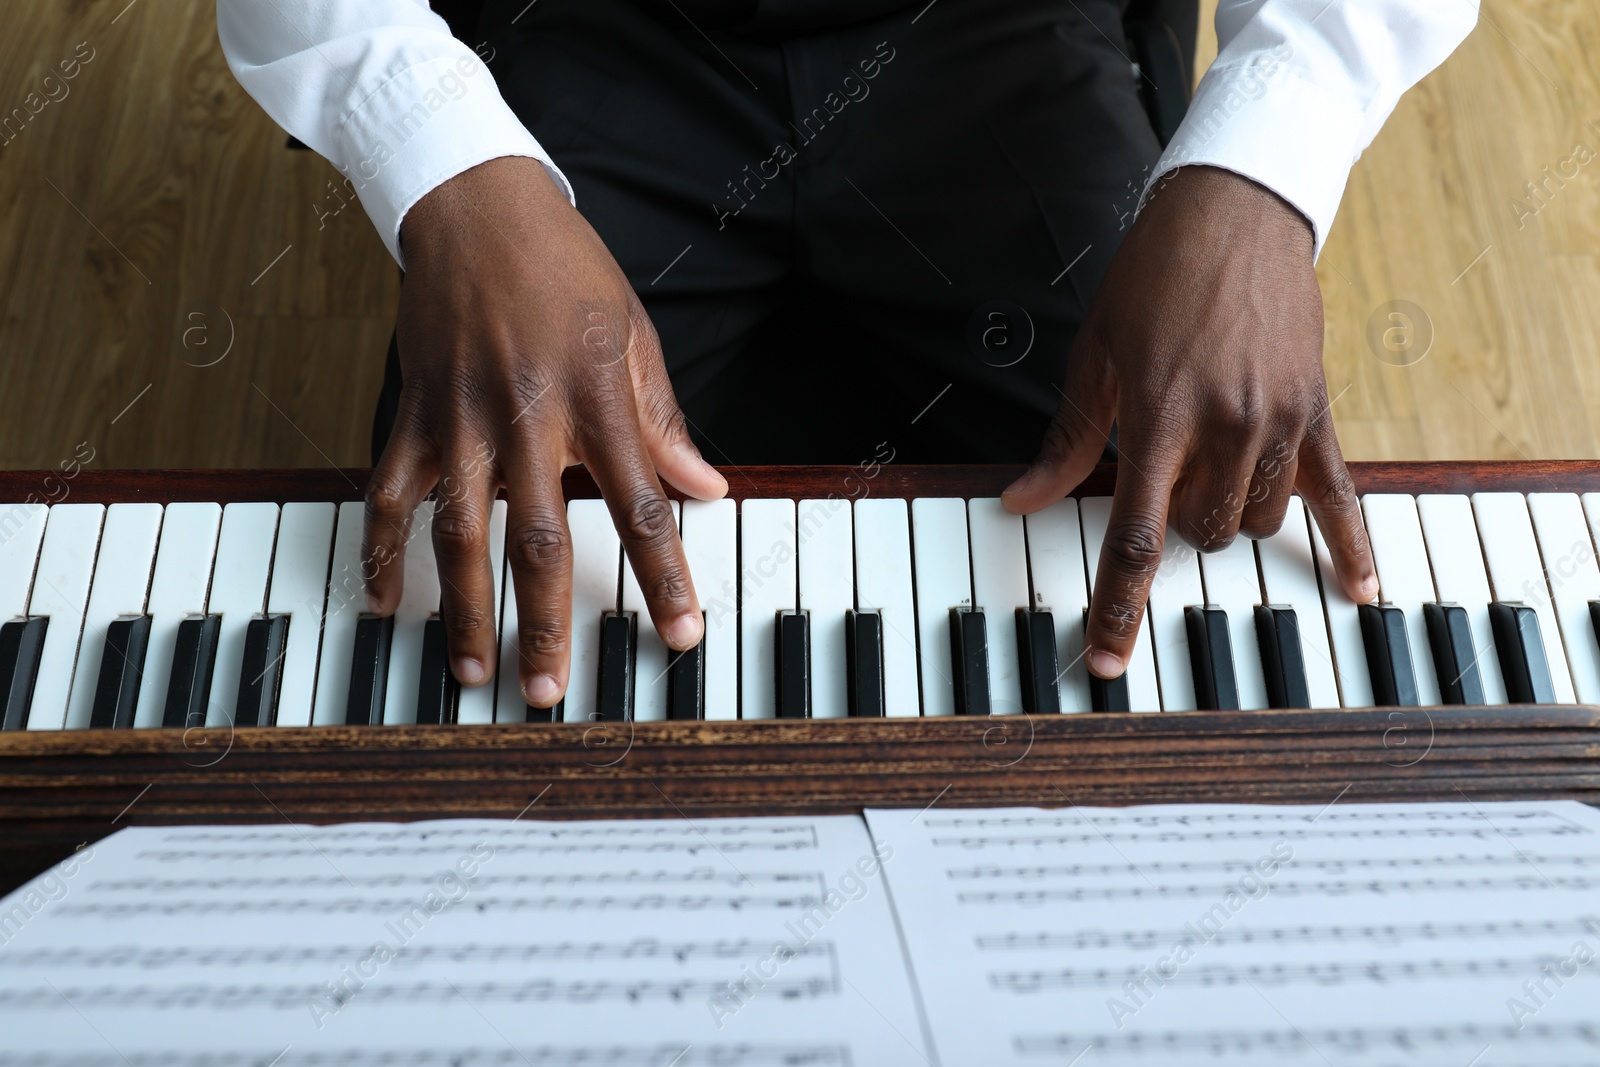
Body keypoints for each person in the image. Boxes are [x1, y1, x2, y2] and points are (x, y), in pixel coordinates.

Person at [218, 0, 1476, 711]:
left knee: (1161, 589)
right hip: (591, 24)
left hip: (1006, 29)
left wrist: (1265, 160)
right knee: (468, 630)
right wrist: (437, 155)